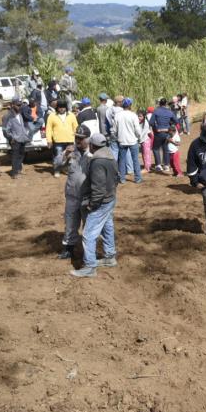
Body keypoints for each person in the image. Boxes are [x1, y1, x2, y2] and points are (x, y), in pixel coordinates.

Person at [70, 133, 119, 278]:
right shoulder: (110, 155)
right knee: (107, 227)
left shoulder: (97, 161)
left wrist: (93, 204)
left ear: (92, 145)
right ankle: (110, 257)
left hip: (101, 202)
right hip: (110, 199)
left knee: (88, 235)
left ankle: (90, 267)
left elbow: (98, 187)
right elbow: (116, 178)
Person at [58, 124, 92, 260]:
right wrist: (65, 154)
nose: (78, 141)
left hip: (87, 197)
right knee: (70, 223)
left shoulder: (93, 153)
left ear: (88, 139)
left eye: (81, 138)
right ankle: (68, 249)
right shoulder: (71, 152)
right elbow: (57, 165)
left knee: (88, 225)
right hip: (72, 195)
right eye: (76, 138)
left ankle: (89, 252)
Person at [112, 98, 142, 184]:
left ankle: (122, 179)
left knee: (122, 160)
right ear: (130, 105)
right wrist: (138, 137)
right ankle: (138, 178)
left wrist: (117, 137)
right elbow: (137, 130)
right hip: (133, 140)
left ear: (122, 105)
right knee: (135, 160)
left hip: (122, 141)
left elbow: (114, 130)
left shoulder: (118, 115)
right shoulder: (133, 115)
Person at [46, 101, 79, 178]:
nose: (61, 109)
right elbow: (48, 129)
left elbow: (76, 127)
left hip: (70, 140)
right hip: (58, 141)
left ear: (66, 107)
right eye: (60, 107)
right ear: (57, 108)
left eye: (63, 107)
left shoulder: (71, 115)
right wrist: (49, 140)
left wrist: (77, 138)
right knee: (58, 157)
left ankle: (65, 169)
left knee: (69, 156)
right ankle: (57, 170)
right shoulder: (52, 116)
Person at [2, 98, 31, 179]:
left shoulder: (20, 114)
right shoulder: (8, 116)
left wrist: (25, 136)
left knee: (21, 155)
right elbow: (5, 130)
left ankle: (19, 170)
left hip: (22, 139)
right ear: (12, 105)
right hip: (15, 140)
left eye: (21, 105)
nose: (20, 106)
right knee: (15, 156)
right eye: (18, 105)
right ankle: (14, 173)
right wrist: (11, 138)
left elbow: (22, 126)